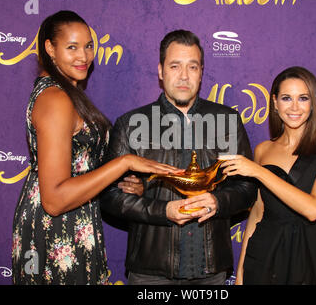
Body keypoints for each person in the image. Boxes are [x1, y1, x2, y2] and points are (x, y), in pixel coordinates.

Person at [11, 10, 179, 285]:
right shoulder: (55, 99)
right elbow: (54, 200)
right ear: (50, 48)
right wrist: (123, 163)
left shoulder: (66, 93)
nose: (84, 56)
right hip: (55, 228)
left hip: (74, 218)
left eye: (89, 45)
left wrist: (125, 180)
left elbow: (81, 167)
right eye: (72, 47)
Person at [101, 29, 258, 285]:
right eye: (175, 66)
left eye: (192, 67)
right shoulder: (130, 123)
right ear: (161, 71)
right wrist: (163, 210)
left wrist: (218, 201)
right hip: (150, 271)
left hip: (210, 270)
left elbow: (247, 188)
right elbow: (108, 196)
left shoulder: (227, 121)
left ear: (201, 72)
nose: (184, 76)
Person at [220, 66, 316, 285]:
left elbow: (313, 209)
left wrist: (258, 171)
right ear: (275, 103)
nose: (295, 107)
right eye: (287, 98)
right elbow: (258, 212)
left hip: (311, 256)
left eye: (304, 98)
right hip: (265, 254)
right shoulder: (263, 150)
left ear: (313, 104)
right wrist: (241, 271)